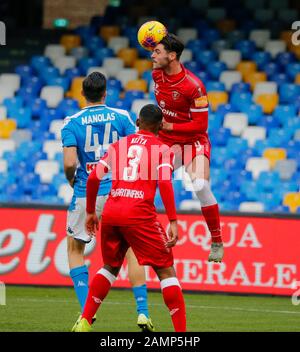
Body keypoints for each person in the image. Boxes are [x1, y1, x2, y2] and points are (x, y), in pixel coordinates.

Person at [73, 104, 186, 332]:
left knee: (110, 267)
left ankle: (85, 321)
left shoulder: (118, 145)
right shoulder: (163, 150)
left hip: (113, 211)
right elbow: (164, 182)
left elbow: (94, 178)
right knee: (166, 271)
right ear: (161, 126)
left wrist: (91, 212)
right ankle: (182, 334)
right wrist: (173, 220)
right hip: (139, 214)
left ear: (136, 121)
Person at [61, 72, 154, 332]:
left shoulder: (72, 122)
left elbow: (70, 163)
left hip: (85, 191)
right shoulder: (122, 117)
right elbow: (139, 149)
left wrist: (72, 180)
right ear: (105, 93)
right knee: (134, 250)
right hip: (120, 192)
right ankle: (143, 312)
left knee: (75, 249)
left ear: (82, 94)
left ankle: (85, 315)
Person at [151, 33, 224, 262]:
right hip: (166, 142)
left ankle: (217, 240)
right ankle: (148, 234)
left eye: (157, 52)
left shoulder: (194, 87)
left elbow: (201, 125)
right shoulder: (156, 74)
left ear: (172, 56)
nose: (152, 55)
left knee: (200, 184)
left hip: (193, 141)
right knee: (145, 182)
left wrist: (169, 125)